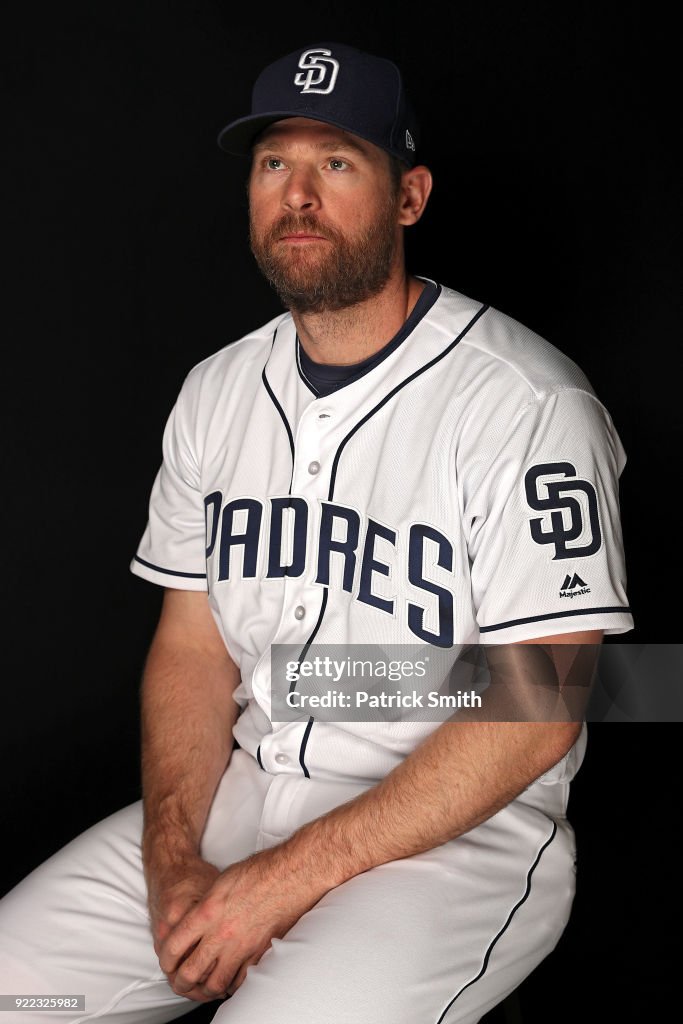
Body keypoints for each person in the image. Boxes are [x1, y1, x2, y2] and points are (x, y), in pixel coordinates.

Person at [0, 42, 632, 1024]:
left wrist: (282, 880)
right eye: (272, 164)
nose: (297, 194)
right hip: (242, 798)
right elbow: (192, 645)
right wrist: (173, 857)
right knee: (14, 990)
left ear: (408, 196)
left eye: (336, 163)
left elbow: (546, 694)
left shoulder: (524, 403)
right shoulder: (215, 390)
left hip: (447, 845)